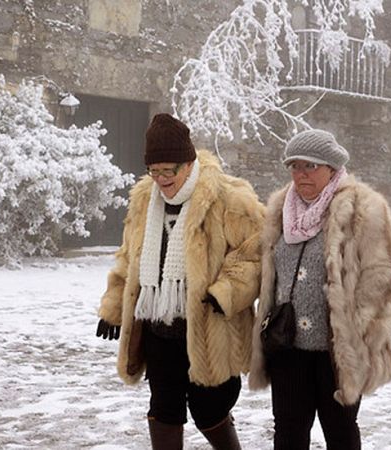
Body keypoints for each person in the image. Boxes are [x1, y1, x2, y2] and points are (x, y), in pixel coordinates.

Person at [95, 113, 264, 449]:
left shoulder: (227, 198)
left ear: (187, 164)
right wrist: (114, 306)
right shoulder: (145, 200)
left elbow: (256, 251)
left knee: (209, 408)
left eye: (167, 171)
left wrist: (227, 290)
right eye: (153, 171)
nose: (159, 179)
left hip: (210, 327)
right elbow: (129, 256)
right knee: (163, 409)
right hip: (159, 329)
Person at [248, 129, 391, 449]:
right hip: (287, 344)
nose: (300, 174)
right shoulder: (280, 207)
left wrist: (360, 333)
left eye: (310, 166)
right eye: (294, 166)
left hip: (338, 349)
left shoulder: (364, 207)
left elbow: (382, 276)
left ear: (332, 168)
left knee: (341, 430)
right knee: (288, 431)